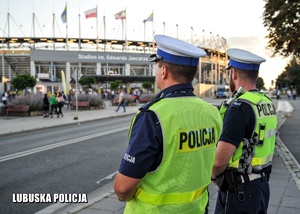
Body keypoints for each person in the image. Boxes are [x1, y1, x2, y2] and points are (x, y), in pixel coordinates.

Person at [114, 34, 223, 213]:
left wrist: (122, 195)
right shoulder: (211, 112)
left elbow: (123, 188)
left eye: (156, 66)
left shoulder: (153, 115)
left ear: (164, 70)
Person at [211, 48, 278, 214]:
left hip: (239, 193)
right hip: (260, 187)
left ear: (233, 74)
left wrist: (214, 175)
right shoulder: (265, 103)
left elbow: (220, 160)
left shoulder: (239, 108)